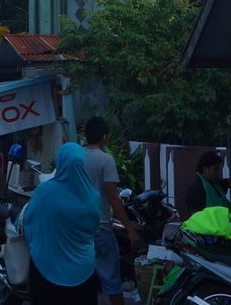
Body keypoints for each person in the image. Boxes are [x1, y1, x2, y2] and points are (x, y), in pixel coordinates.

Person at [19, 142, 102, 304]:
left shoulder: (46, 191)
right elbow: (93, 229)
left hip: (47, 267)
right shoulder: (93, 195)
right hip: (83, 270)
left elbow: (28, 220)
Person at [82, 117, 142, 305]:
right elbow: (113, 198)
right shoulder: (105, 160)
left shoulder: (76, 158)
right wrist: (130, 229)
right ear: (105, 137)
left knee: (84, 280)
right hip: (100, 227)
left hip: (78, 229)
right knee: (112, 280)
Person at [183, 151, 231, 219]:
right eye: (215, 169)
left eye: (219, 169)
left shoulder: (215, 183)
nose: (219, 173)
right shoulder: (196, 189)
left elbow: (230, 182)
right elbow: (195, 218)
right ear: (205, 169)